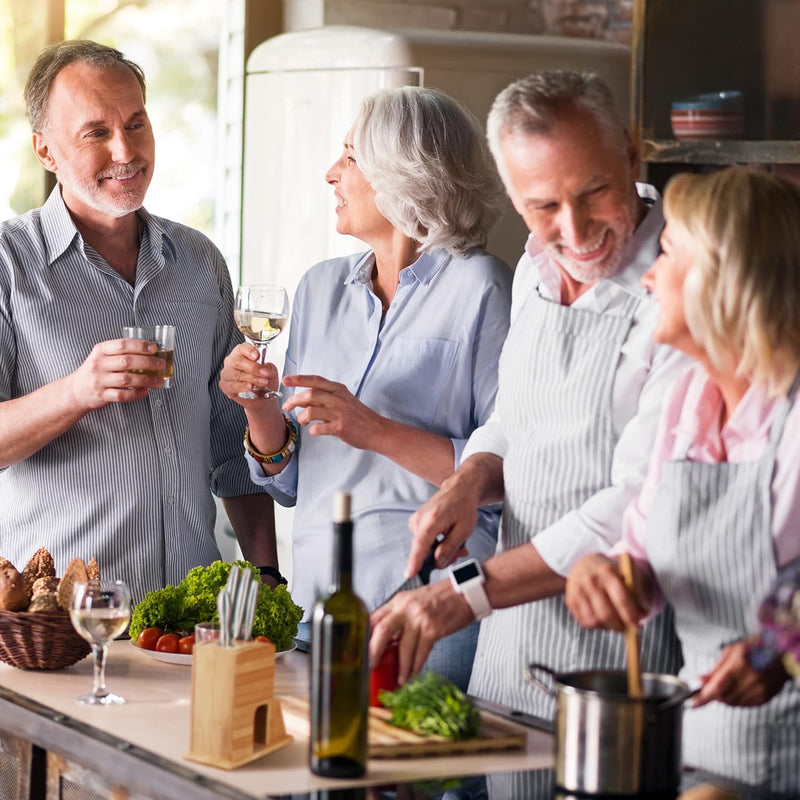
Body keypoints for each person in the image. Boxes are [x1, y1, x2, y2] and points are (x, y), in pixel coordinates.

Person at [369, 71, 687, 719]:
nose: (575, 230)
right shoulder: (533, 275)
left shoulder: (684, 285)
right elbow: (515, 418)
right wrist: (471, 477)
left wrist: (465, 595)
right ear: (513, 198)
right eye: (543, 207)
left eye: (595, 191)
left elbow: (639, 501)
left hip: (626, 658)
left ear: (631, 155)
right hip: (510, 650)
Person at [219, 86, 512, 690]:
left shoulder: (482, 288)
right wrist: (260, 408)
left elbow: (504, 476)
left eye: (350, 158)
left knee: (433, 785)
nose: (331, 173)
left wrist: (373, 429)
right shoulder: (321, 287)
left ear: (404, 173)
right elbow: (292, 479)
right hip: (320, 608)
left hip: (432, 616)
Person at [0, 40, 277, 605]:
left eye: (135, 124)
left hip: (188, 619)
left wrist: (267, 577)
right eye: (95, 133)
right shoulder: (8, 264)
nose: (125, 151)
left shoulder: (199, 261)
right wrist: (79, 391)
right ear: (46, 151)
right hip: (61, 623)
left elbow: (232, 449)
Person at [566, 167, 800, 793]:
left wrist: (784, 647)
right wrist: (606, 574)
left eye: (667, 253)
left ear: (727, 276)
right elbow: (638, 554)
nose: (647, 276)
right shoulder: (688, 401)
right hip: (700, 758)